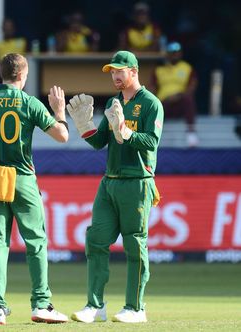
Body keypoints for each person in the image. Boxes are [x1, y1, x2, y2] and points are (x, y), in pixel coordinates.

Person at [0, 53, 70, 325]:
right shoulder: (29, 102)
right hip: (22, 177)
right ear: (23, 76)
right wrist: (59, 112)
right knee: (36, 241)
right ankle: (41, 304)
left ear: (1, 73)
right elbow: (62, 136)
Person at [68, 50, 163, 323]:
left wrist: (126, 132)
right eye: (112, 71)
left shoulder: (151, 104)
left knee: (134, 243)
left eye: (119, 70)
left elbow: (151, 142)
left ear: (134, 71)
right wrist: (85, 126)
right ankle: (94, 306)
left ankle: (136, 308)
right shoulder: (113, 101)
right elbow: (100, 141)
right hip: (109, 182)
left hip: (137, 181)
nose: (115, 76)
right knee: (96, 240)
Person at [149, 42, 199, 147]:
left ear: (181, 53)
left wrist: (177, 97)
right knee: (154, 106)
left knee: (188, 100)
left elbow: (192, 87)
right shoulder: (158, 70)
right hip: (163, 104)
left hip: (180, 102)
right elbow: (152, 89)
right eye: (172, 52)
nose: (175, 54)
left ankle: (191, 134)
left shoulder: (187, 68)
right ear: (167, 54)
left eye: (177, 52)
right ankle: (151, 136)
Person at [0, 18, 28, 90]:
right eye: (6, 27)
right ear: (2, 29)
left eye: (10, 27)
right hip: (3, 71)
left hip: (20, 71)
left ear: (14, 28)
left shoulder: (22, 42)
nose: (8, 29)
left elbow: (29, 57)